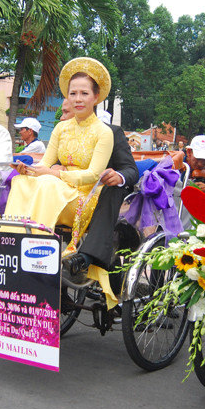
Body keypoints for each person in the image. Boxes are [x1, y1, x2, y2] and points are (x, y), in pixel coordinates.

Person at [4, 57, 114, 256]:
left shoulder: (104, 132)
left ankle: (36, 252)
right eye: (73, 93)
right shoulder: (60, 128)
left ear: (96, 97)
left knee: (47, 183)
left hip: (85, 196)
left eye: (84, 93)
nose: (78, 99)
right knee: (21, 182)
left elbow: (93, 174)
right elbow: (45, 164)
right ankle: (11, 245)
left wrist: (54, 175)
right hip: (57, 188)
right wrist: (29, 170)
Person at [63, 98, 139, 276]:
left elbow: (131, 170)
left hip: (103, 193)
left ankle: (88, 256)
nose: (61, 118)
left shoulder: (112, 132)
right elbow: (54, 163)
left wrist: (119, 176)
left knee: (112, 187)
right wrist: (53, 168)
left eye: (65, 113)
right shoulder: (64, 133)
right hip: (71, 191)